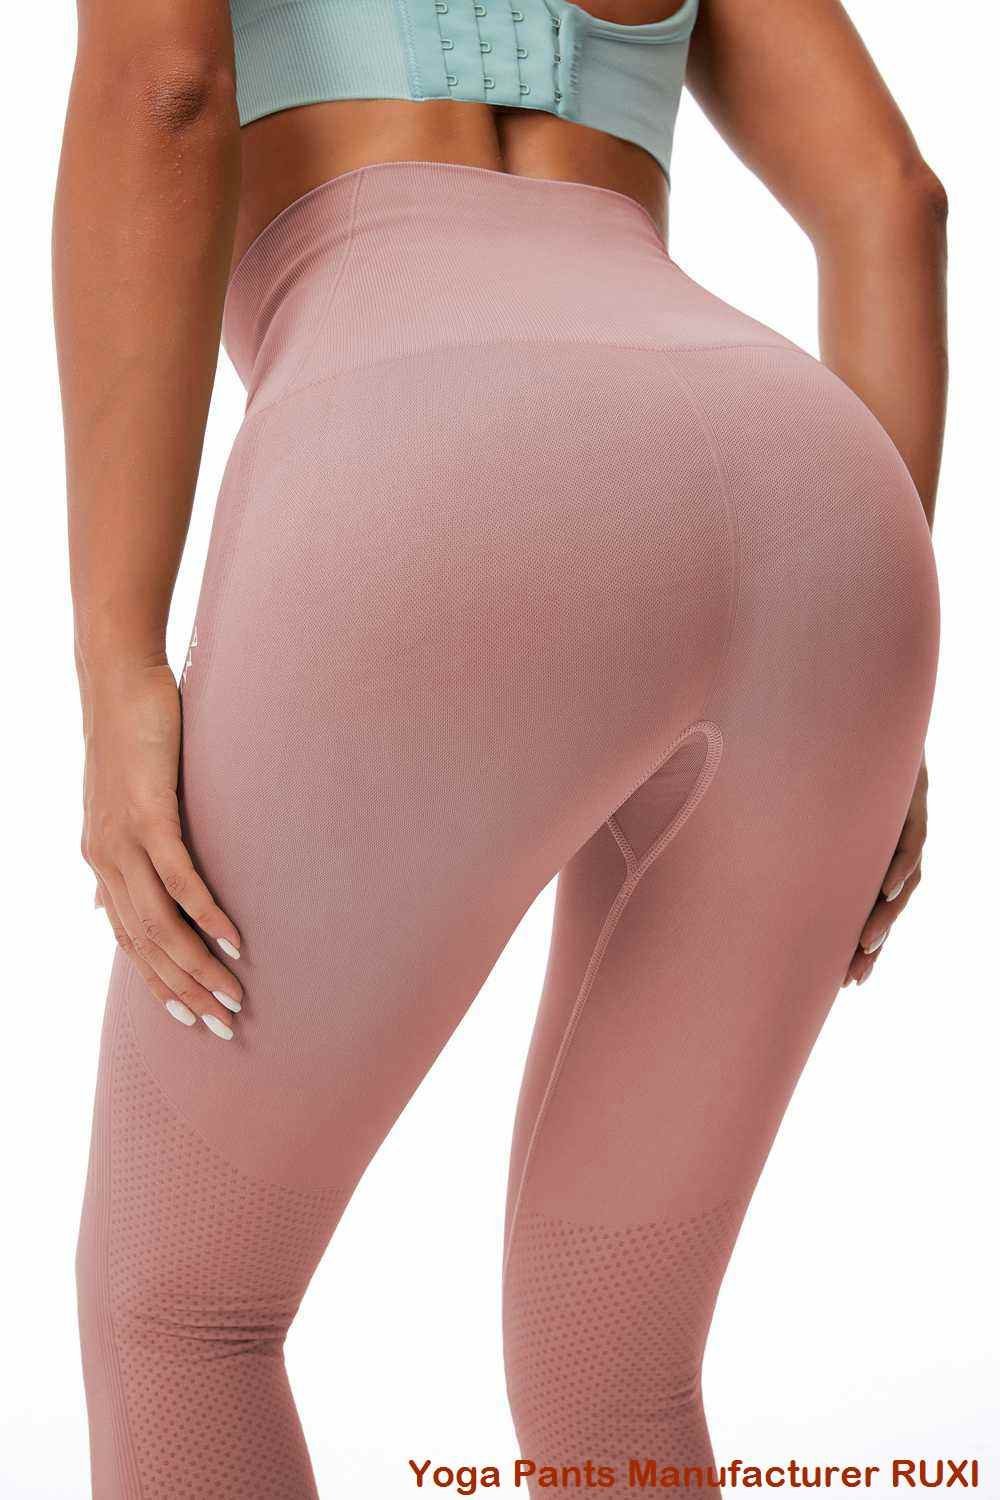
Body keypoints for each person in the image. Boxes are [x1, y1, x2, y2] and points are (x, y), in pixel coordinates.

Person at [54, 0, 945, 1494]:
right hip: (818, 500)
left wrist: (116, 657)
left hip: (435, 448)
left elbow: (167, 94)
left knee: (180, 1318)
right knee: (619, 1373)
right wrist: (883, 678)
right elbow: (892, 200)